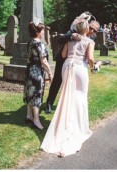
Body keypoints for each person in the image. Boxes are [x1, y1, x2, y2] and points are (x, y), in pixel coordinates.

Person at [41, 19, 98, 157]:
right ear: (86, 29)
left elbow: (63, 55)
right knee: (80, 97)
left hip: (67, 67)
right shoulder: (89, 42)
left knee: (67, 97)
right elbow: (90, 58)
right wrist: (94, 66)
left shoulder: (71, 38)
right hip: (79, 68)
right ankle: (78, 128)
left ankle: (64, 125)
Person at [24, 21, 52, 130]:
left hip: (30, 69)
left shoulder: (30, 42)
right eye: (42, 30)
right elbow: (43, 61)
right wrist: (50, 72)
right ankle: (36, 120)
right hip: (36, 71)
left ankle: (28, 115)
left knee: (29, 92)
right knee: (36, 94)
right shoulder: (39, 43)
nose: (43, 32)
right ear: (38, 32)